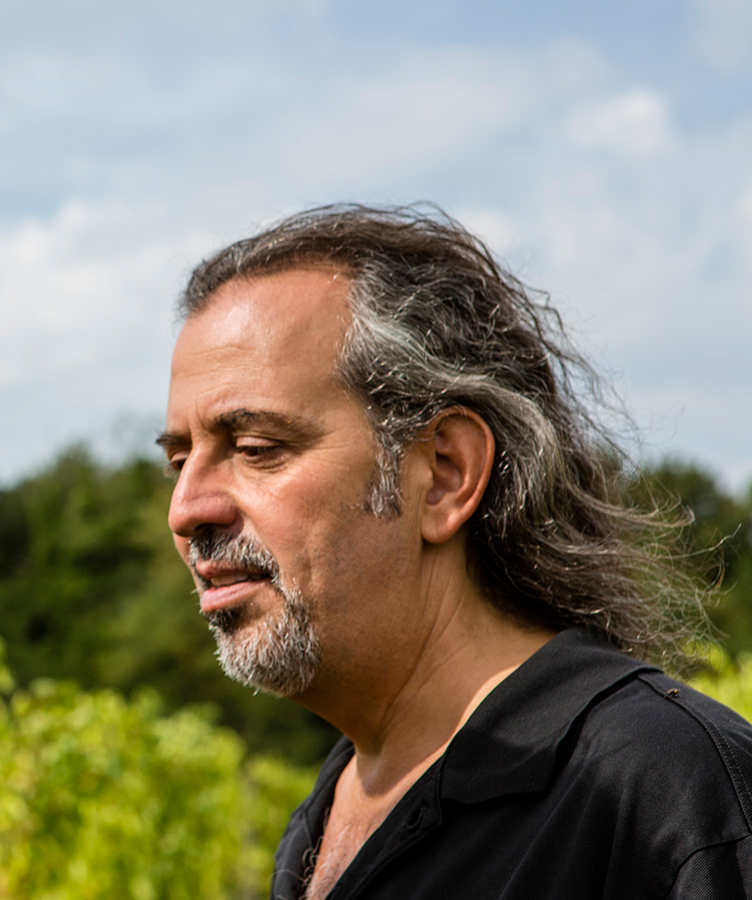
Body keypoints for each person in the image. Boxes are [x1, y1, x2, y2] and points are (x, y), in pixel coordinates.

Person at [160, 204, 752, 899]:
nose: (186, 510)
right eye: (179, 462)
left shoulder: (668, 797)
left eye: (256, 448)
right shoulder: (329, 810)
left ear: (444, 474)